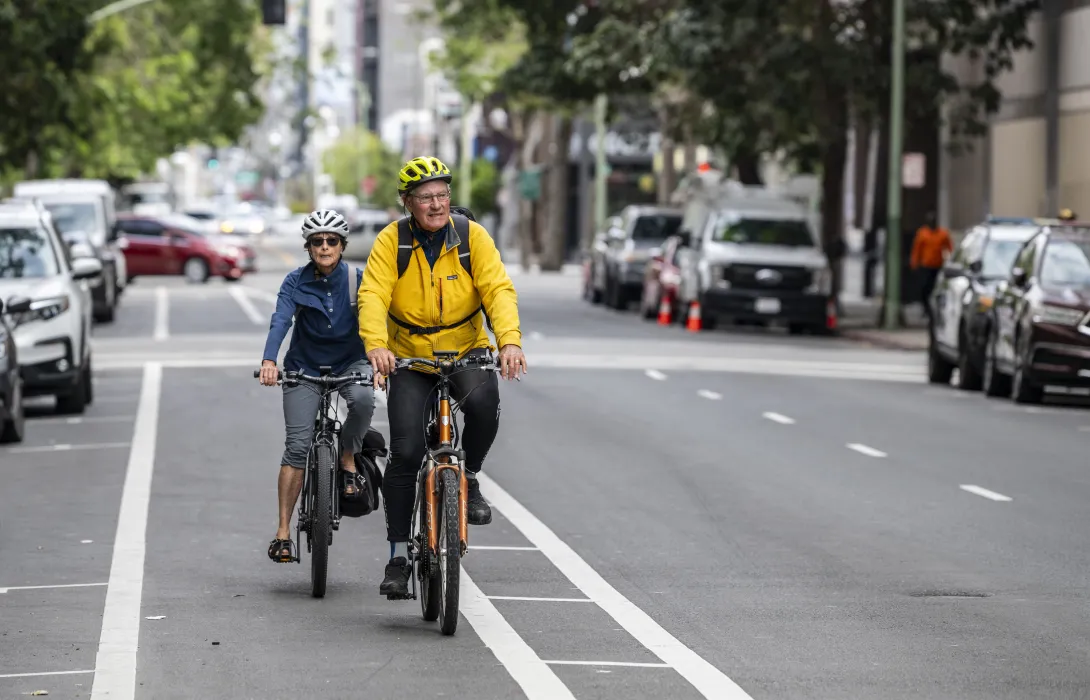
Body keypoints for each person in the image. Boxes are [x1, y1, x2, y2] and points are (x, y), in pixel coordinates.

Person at [358, 156, 528, 598]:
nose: (435, 205)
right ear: (407, 202)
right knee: (407, 452)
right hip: (410, 357)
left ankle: (468, 475)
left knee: (484, 408)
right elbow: (373, 293)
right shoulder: (391, 241)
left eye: (441, 195)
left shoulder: (473, 238)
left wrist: (509, 340)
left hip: (467, 348)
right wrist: (376, 345)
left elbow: (497, 289)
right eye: (425, 198)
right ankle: (397, 555)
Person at [259, 209, 377, 563]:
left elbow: (377, 321)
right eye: (317, 242)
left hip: (351, 362)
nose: (324, 247)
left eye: (331, 241)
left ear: (342, 245)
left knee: (364, 400)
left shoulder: (360, 279)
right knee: (296, 447)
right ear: (308, 247)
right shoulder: (295, 281)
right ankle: (282, 532)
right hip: (303, 368)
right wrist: (269, 361)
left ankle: (347, 458)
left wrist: (380, 361)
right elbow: (280, 320)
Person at [909, 211, 952, 322]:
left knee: (936, 288)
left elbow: (949, 247)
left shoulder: (942, 234)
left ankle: (935, 309)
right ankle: (926, 309)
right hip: (925, 266)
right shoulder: (923, 233)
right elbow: (917, 249)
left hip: (937, 266)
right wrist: (914, 262)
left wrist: (950, 260)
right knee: (924, 288)